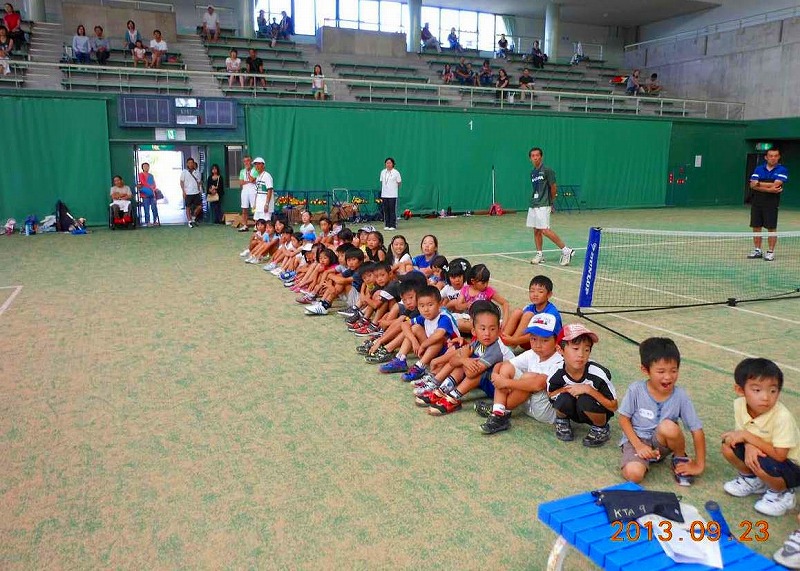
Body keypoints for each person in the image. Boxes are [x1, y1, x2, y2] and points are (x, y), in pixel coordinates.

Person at [618, 337, 706, 486]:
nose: (668, 377)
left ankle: (679, 458)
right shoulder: (636, 390)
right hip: (637, 440)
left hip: (662, 442)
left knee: (668, 426)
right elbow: (623, 418)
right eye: (661, 371)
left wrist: (699, 464)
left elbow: (696, 430)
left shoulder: (680, 395)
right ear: (645, 370)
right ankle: (641, 459)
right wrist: (639, 446)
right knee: (633, 475)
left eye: (674, 370)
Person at [721, 358, 799, 517]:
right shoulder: (739, 404)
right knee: (728, 443)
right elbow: (742, 432)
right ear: (740, 390)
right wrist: (749, 445)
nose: (766, 397)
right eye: (757, 390)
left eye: (773, 391)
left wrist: (748, 438)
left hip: (791, 466)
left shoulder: (782, 417)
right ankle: (752, 480)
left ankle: (783, 493)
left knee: (761, 461)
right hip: (766, 455)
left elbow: (780, 455)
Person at [422, 300, 513, 415]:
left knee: (475, 369)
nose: (487, 333)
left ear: (499, 330)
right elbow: (453, 361)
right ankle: (441, 390)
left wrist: (464, 359)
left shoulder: (496, 348)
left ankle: (453, 397)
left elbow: (471, 374)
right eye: (483, 328)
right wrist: (463, 359)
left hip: (503, 390)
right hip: (491, 383)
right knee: (464, 362)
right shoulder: (478, 343)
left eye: (492, 329)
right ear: (474, 331)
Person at [478, 311, 563, 434]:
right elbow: (502, 364)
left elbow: (538, 384)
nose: (538, 345)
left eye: (545, 340)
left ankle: (498, 411)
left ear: (556, 342)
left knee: (529, 377)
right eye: (533, 339)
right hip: (526, 405)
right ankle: (498, 412)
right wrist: (496, 375)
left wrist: (505, 382)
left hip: (544, 412)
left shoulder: (559, 360)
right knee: (507, 367)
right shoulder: (532, 353)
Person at [548, 324, 617, 447]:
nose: (581, 355)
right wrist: (567, 390)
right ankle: (562, 421)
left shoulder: (598, 374)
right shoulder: (555, 371)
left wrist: (588, 390)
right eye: (575, 348)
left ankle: (600, 428)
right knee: (562, 397)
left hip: (595, 410)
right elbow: (551, 394)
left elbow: (613, 406)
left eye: (586, 350)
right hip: (572, 407)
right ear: (560, 350)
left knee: (585, 400)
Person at [527, 147, 575, 266]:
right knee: (536, 230)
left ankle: (566, 250)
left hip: (544, 204)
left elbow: (553, 187)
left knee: (544, 230)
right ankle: (539, 254)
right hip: (534, 204)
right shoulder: (533, 172)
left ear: (541, 157)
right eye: (533, 156)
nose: (535, 157)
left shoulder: (548, 170)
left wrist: (550, 201)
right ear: (530, 158)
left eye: (537, 155)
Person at [747, 148, 788, 261]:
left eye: (775, 156)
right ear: (766, 157)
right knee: (756, 227)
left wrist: (759, 184)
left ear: (778, 157)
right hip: (757, 202)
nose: (773, 158)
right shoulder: (759, 168)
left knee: (771, 228)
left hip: (771, 204)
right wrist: (769, 189)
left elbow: (777, 184)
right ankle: (757, 250)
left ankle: (770, 252)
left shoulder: (782, 170)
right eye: (770, 156)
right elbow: (752, 185)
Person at [501, 274, 562, 349]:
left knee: (528, 315)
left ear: (549, 294)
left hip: (546, 343)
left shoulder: (551, 313)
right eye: (532, 291)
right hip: (531, 341)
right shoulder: (530, 307)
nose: (535, 294)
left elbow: (539, 335)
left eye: (540, 292)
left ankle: (509, 347)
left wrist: (514, 340)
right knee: (518, 312)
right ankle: (499, 343)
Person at [180, 157, 203, 228]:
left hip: (196, 192)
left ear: (193, 164)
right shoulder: (184, 172)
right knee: (188, 207)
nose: (190, 164)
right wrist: (183, 191)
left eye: (192, 163)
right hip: (188, 192)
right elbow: (181, 182)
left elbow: (199, 182)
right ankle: (189, 222)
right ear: (187, 164)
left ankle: (193, 218)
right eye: (189, 163)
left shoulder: (197, 172)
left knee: (199, 207)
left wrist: (200, 191)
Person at [379, 157, 401, 231]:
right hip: (384, 194)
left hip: (393, 195)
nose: (388, 164)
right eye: (387, 163)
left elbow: (399, 183)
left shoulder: (396, 172)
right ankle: (387, 224)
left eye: (390, 163)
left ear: (393, 164)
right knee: (386, 210)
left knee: (392, 210)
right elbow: (382, 182)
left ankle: (393, 225)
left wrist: (393, 189)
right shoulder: (383, 172)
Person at [252, 157, 274, 222]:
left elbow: (269, 190)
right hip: (259, 205)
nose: (257, 166)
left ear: (263, 165)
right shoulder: (258, 176)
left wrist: (267, 204)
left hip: (265, 204)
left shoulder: (267, 176)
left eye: (258, 164)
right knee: (257, 222)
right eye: (255, 164)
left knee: (266, 222)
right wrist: (254, 204)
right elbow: (257, 192)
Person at [137, 162, 160, 227]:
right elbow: (143, 182)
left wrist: (154, 188)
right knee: (146, 208)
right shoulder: (140, 174)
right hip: (145, 194)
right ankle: (148, 221)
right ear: (142, 168)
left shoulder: (151, 175)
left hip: (152, 194)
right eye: (144, 166)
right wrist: (151, 187)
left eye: (147, 166)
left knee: (154, 207)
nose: (146, 168)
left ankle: (155, 221)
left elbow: (154, 183)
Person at [238, 155, 257, 232]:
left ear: (251, 162)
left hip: (253, 191)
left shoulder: (255, 170)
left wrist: (249, 172)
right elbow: (241, 183)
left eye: (248, 161)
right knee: (244, 209)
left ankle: (256, 225)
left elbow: (253, 180)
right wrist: (249, 181)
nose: (246, 163)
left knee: (254, 209)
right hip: (244, 192)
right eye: (245, 161)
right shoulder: (242, 171)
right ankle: (245, 225)